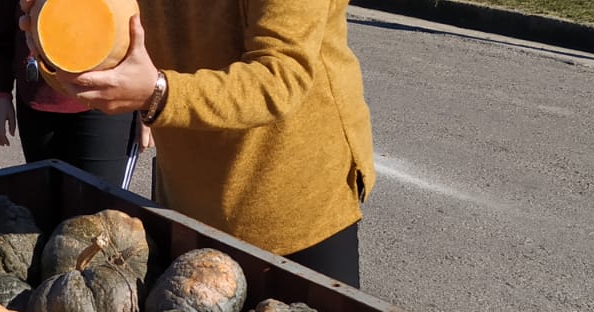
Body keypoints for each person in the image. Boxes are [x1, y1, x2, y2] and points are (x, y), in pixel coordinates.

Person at [19, 0, 375, 287]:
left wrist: (158, 93)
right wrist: (55, 49)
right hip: (188, 198)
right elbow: (108, 48)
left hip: (295, 201)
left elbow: (281, 76)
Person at [0, 0, 139, 186]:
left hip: (110, 96)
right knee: (47, 205)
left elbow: (157, 23)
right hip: (39, 96)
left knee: (101, 207)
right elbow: (1, 19)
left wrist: (150, 100)